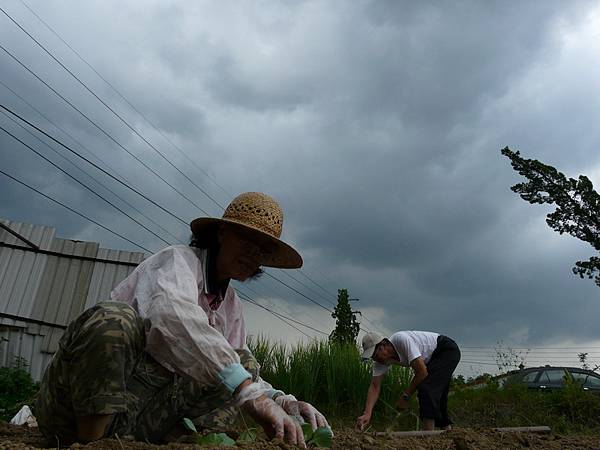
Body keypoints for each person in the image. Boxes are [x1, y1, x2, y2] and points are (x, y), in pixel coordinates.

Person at [35, 192, 328, 447]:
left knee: (242, 362)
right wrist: (246, 390)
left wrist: (281, 399)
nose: (254, 254)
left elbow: (238, 368)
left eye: (262, 250)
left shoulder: (231, 305)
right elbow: (171, 317)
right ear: (223, 232)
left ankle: (176, 441)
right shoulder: (177, 262)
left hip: (138, 417)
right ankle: (91, 443)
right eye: (248, 240)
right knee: (114, 318)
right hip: (74, 413)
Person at [356, 330, 460, 431]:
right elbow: (374, 386)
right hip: (432, 360)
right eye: (372, 357)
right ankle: (447, 431)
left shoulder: (401, 340)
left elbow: (422, 372)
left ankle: (428, 437)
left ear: (383, 344)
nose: (375, 359)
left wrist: (405, 396)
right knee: (438, 395)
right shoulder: (381, 362)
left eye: (375, 355)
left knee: (426, 388)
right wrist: (367, 413)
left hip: (445, 350)